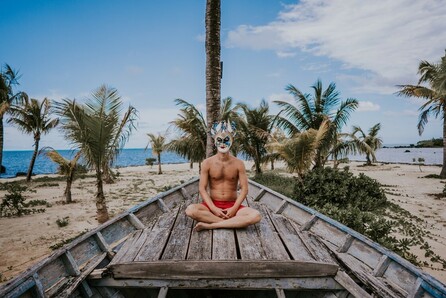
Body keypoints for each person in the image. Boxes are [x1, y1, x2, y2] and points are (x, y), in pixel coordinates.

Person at [185, 121, 261, 231]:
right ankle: (233, 223)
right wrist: (213, 208)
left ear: (232, 141)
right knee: (190, 210)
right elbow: (202, 188)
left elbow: (244, 189)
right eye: (219, 140)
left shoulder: (238, 163)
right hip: (212, 205)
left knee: (256, 215)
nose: (222, 143)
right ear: (215, 142)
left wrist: (234, 209)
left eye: (226, 140)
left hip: (233, 205)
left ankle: (212, 225)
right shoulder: (207, 163)